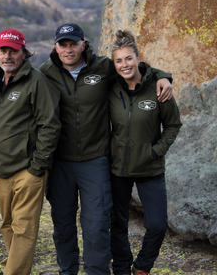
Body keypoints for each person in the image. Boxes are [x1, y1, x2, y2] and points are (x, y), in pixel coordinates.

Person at [39, 23, 174, 275]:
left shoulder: (102, 67)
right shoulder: (44, 73)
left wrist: (163, 75)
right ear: (56, 47)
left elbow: (133, 67)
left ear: (83, 44)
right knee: (63, 223)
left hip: (96, 161)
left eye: (73, 44)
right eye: (63, 44)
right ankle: (67, 271)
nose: (68, 49)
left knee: (97, 224)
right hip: (60, 162)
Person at [0, 29, 61, 275]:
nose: (7, 56)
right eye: (3, 50)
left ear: (24, 53)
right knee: (7, 224)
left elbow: (50, 124)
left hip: (28, 169)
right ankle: (17, 266)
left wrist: (37, 166)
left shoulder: (36, 81)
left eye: (13, 51)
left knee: (24, 227)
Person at [109, 30, 182, 275]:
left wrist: (155, 151)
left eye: (128, 59)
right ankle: (121, 268)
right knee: (117, 224)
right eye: (118, 61)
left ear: (138, 58)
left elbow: (173, 125)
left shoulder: (159, 89)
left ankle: (142, 267)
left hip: (149, 167)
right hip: (117, 168)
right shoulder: (111, 88)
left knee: (158, 225)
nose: (124, 65)